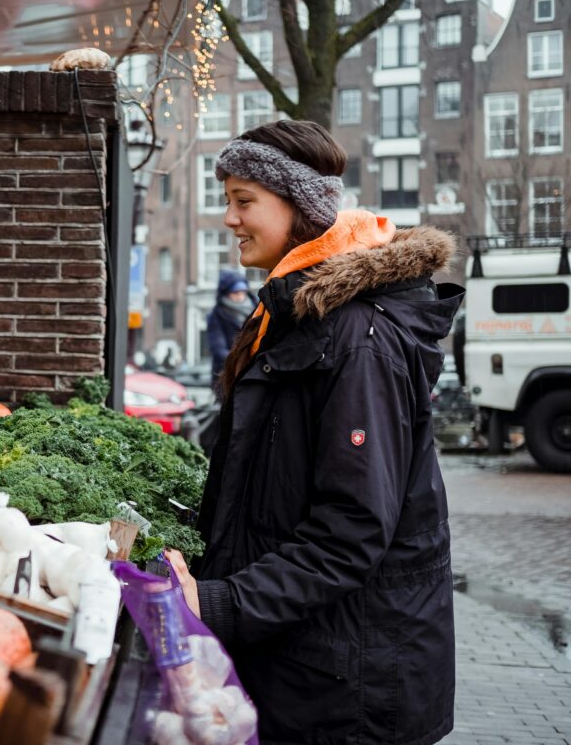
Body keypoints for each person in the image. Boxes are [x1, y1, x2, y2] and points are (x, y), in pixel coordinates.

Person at [165, 120, 464, 744]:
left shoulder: (357, 338)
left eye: (244, 201)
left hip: (348, 683)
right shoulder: (297, 315)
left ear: (300, 206)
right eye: (228, 201)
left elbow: (352, 528)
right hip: (308, 662)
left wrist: (217, 603)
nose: (230, 219)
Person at [207, 270, 255, 392]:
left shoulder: (257, 310)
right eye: (235, 292)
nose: (240, 296)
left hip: (253, 372)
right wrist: (243, 361)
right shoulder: (216, 315)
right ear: (226, 293)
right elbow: (218, 349)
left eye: (242, 292)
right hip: (227, 375)